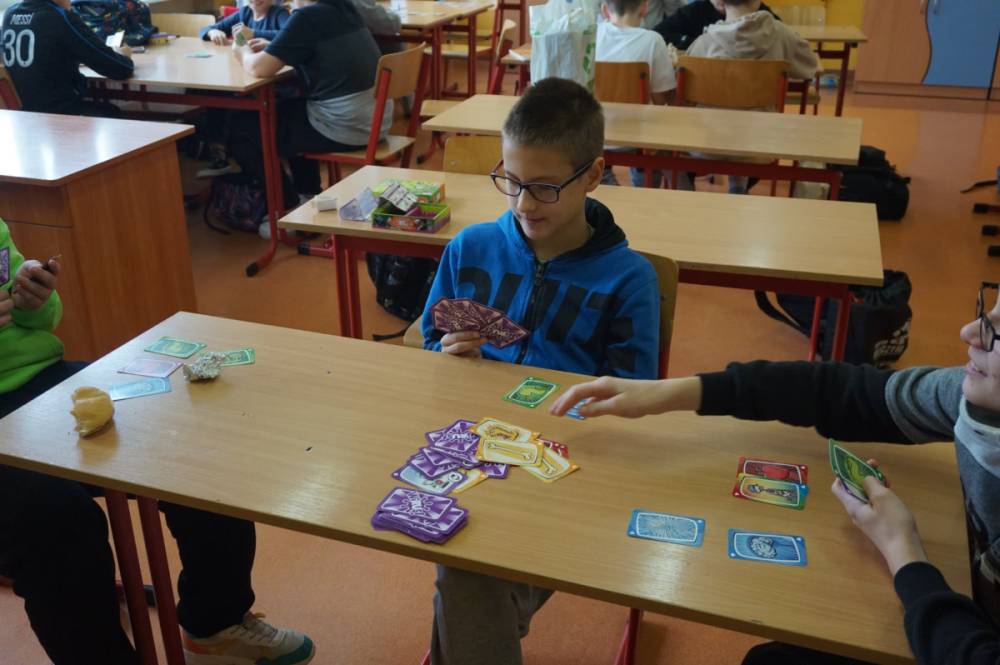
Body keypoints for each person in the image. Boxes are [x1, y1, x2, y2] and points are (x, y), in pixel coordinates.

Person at [551, 280, 1000, 665]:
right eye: (991, 308)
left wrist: (904, 549)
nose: (971, 331)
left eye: (999, 331)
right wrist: (669, 393)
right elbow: (834, 391)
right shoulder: (970, 398)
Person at [420, 78, 661, 665]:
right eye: (511, 181)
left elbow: (631, 402)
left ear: (594, 174)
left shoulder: (630, 280)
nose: (524, 204)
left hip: (569, 464)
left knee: (466, 571)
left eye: (545, 187)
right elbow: (427, 341)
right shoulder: (470, 247)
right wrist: (446, 353)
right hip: (471, 445)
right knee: (466, 567)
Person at [0, 217, 316, 665]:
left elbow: (35, 319)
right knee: (55, 521)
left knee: (196, 440)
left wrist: (35, 299)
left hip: (37, 381)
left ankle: (215, 626)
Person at [228, 0, 390, 237]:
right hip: (375, 120)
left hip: (346, 126)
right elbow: (317, 46)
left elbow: (258, 68)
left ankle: (287, 208)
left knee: (242, 129)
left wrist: (241, 49)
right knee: (290, 111)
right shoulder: (344, 8)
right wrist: (277, 46)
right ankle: (308, 195)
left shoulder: (306, 17)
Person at [683, 0, 818, 194]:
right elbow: (809, 67)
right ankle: (738, 186)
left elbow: (685, 91)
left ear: (720, 2)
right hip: (761, 144)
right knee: (747, 119)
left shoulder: (703, 43)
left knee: (726, 117)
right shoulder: (782, 35)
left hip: (707, 144)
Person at [0, 0, 133, 115]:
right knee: (112, 112)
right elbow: (120, 69)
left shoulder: (9, 14)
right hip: (59, 114)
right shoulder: (59, 17)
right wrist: (123, 56)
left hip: (23, 116)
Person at [596, 0, 676, 188]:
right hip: (640, 135)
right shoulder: (653, 40)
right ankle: (644, 185)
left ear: (605, 9)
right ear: (645, 7)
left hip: (597, 132)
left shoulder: (592, 36)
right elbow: (660, 99)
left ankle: (605, 178)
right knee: (660, 128)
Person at [653, 0, 779, 49]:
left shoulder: (760, 12)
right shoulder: (696, 10)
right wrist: (693, 42)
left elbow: (780, 33)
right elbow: (658, 33)